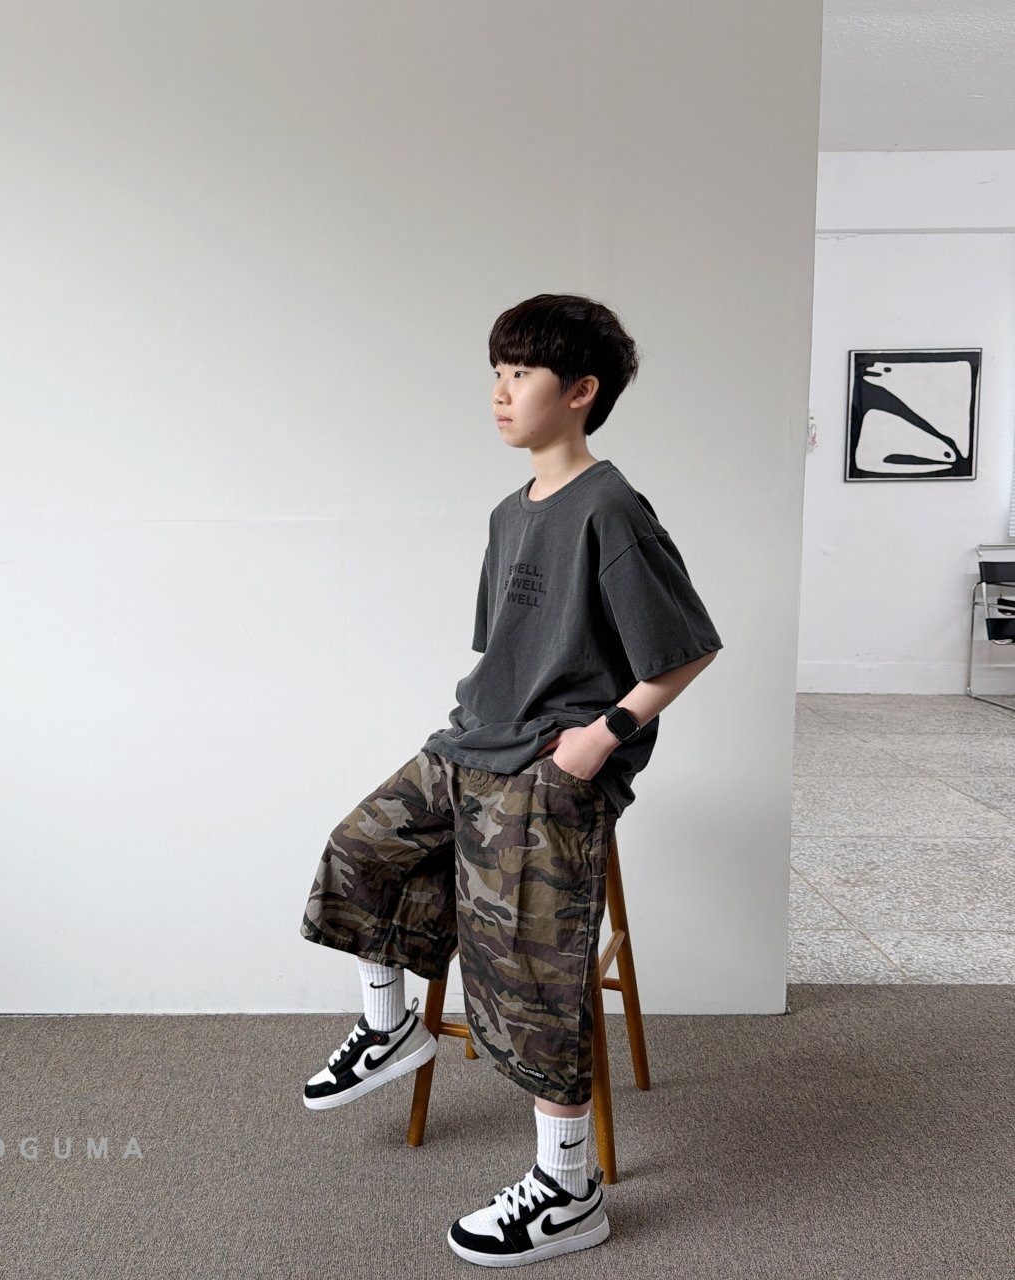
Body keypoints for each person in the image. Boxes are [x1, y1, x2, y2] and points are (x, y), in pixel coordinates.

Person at [298, 293, 723, 1267]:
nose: (499, 391)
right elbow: (506, 649)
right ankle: (389, 1026)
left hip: (549, 767)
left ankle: (568, 1190)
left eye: (521, 373)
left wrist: (600, 739)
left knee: (527, 965)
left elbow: (685, 649)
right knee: (358, 849)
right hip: (473, 742)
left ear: (579, 392)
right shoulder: (507, 513)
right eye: (495, 371)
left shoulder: (610, 507)